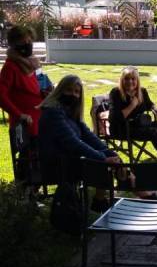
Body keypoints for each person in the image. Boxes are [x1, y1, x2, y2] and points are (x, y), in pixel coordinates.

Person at [38, 75, 121, 212]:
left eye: (76, 92)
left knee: (108, 158)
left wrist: (109, 153)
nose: (73, 95)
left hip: (68, 158)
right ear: (60, 91)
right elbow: (73, 142)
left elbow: (89, 137)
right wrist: (103, 158)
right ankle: (100, 203)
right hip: (55, 163)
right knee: (101, 163)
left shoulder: (70, 111)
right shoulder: (53, 111)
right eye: (69, 90)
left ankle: (103, 201)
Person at [0, 26, 43, 138]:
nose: (28, 44)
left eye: (29, 41)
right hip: (25, 124)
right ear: (14, 45)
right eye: (23, 42)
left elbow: (34, 87)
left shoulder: (30, 63)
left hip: (39, 120)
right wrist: (19, 115)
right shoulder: (10, 67)